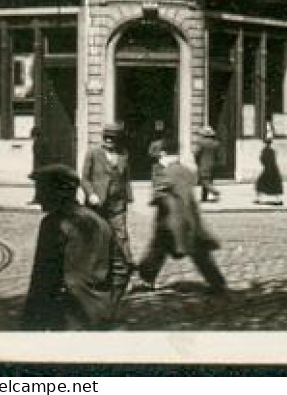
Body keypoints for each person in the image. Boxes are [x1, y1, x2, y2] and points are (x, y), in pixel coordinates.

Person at [21, 164, 124, 330]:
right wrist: (109, 303)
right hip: (100, 313)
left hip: (68, 315)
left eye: (42, 192)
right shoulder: (100, 221)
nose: (39, 200)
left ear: (56, 193)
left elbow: (44, 276)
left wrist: (31, 322)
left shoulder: (53, 224)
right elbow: (121, 268)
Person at [135, 149, 227, 295]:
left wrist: (155, 198)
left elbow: (158, 195)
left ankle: (145, 279)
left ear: (165, 155)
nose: (159, 160)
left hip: (170, 220)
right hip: (190, 219)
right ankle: (217, 282)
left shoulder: (165, 174)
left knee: (157, 249)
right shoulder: (186, 170)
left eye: (160, 157)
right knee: (200, 254)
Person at [80, 123, 134, 292]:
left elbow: (126, 178)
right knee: (96, 239)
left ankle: (125, 275)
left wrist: (128, 197)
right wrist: (91, 194)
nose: (108, 141)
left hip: (117, 204)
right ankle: (94, 276)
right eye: (106, 138)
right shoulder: (93, 153)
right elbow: (84, 178)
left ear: (118, 140)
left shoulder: (123, 154)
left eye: (112, 139)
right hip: (97, 205)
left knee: (122, 238)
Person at [254, 130, 284, 206]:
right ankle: (278, 200)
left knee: (260, 183)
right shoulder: (272, 151)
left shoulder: (265, 151)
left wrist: (265, 164)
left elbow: (262, 159)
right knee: (275, 185)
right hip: (273, 169)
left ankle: (259, 199)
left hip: (268, 169)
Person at [192, 126, 221, 203]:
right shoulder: (216, 143)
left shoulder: (201, 143)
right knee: (209, 180)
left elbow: (196, 154)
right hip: (213, 165)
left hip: (203, 164)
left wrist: (197, 162)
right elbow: (218, 156)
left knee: (204, 181)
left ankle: (215, 192)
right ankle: (204, 197)